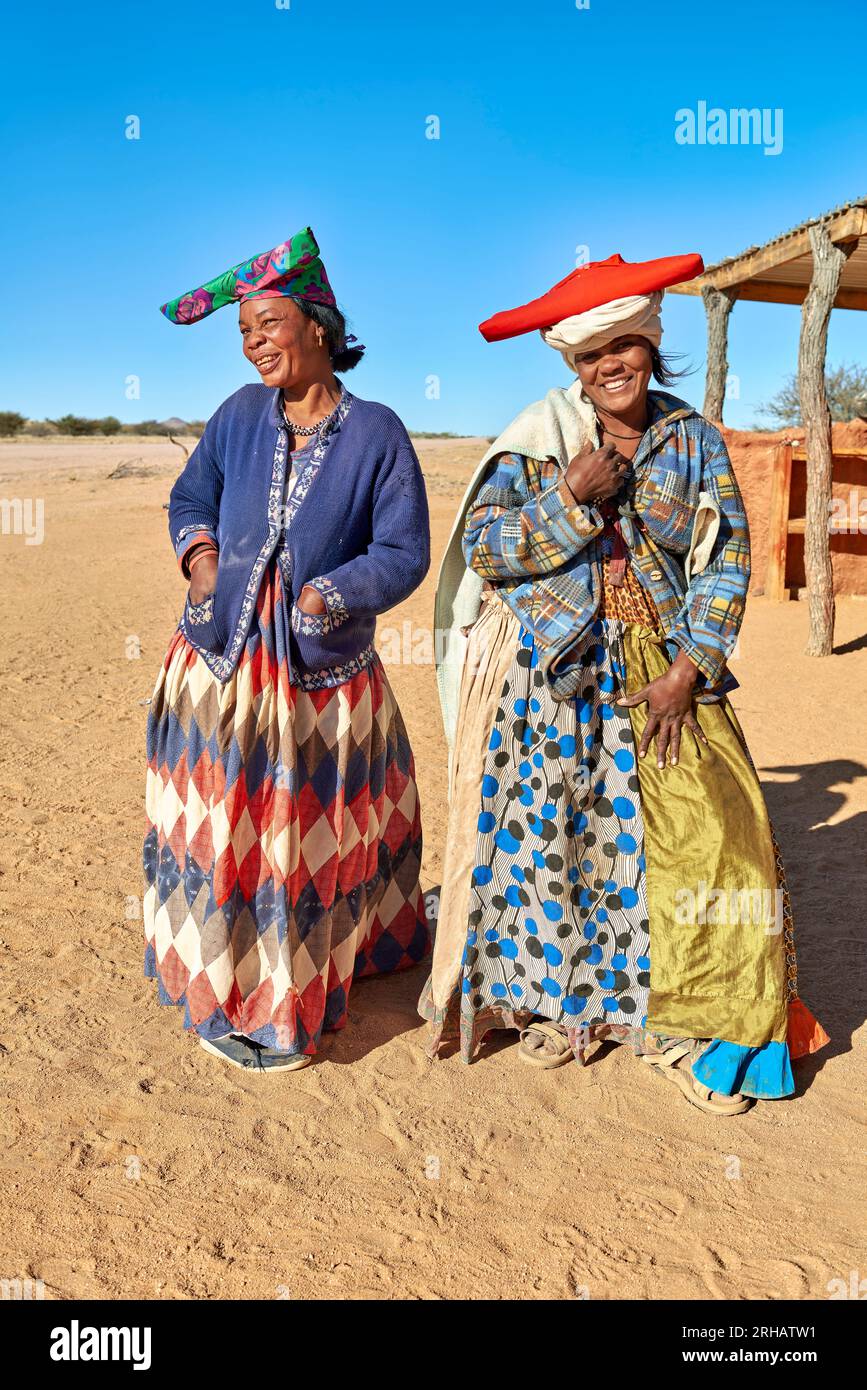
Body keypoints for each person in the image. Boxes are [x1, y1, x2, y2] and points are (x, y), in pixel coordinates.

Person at [420, 251, 828, 1113]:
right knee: (551, 843)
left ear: (651, 345)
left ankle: (698, 1027)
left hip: (662, 673)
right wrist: (569, 498)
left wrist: (689, 669)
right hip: (548, 675)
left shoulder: (693, 441)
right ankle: (558, 1009)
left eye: (625, 346)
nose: (610, 365)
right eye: (590, 353)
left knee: (716, 842)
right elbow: (487, 553)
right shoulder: (538, 442)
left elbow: (725, 563)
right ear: (571, 364)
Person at [144, 227, 431, 1073]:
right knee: (220, 828)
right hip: (220, 663)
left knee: (298, 841)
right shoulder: (237, 415)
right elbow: (191, 492)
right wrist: (201, 561)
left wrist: (326, 595)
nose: (255, 341)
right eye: (244, 331)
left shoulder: (376, 431)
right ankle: (219, 980)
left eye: (269, 323)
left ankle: (282, 1006)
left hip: (319, 674)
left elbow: (403, 550)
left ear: (318, 324)